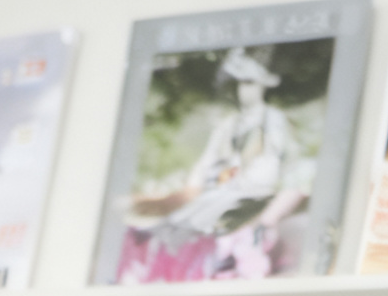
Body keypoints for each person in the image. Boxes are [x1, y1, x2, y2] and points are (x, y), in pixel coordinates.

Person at [117, 48, 305, 284]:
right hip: (218, 192)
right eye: (240, 83)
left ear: (262, 86)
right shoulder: (229, 123)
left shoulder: (273, 120)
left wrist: (268, 211)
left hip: (251, 195)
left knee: (215, 233)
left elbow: (287, 167)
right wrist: (192, 190)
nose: (244, 90)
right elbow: (207, 162)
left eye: (250, 83)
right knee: (172, 229)